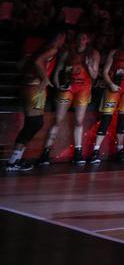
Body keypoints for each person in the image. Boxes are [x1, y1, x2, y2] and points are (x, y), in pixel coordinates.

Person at [6, 29, 66, 171]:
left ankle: (16, 159)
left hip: (30, 87)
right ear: (60, 37)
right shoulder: (52, 49)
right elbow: (38, 62)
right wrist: (45, 79)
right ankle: (13, 161)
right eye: (64, 37)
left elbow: (21, 64)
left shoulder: (43, 48)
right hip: (35, 89)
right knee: (35, 123)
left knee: (32, 123)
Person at [39, 30, 99, 166]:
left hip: (83, 90)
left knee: (79, 121)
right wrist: (59, 86)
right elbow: (57, 71)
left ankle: (78, 153)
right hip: (68, 89)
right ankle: (45, 153)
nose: (81, 40)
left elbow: (95, 76)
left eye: (83, 38)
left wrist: (89, 66)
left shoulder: (93, 53)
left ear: (87, 40)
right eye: (79, 38)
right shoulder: (68, 52)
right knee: (58, 120)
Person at [92, 32, 124, 163]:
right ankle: (95, 151)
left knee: (123, 119)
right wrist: (111, 84)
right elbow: (104, 72)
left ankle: (120, 150)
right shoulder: (114, 52)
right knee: (106, 118)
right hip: (114, 86)